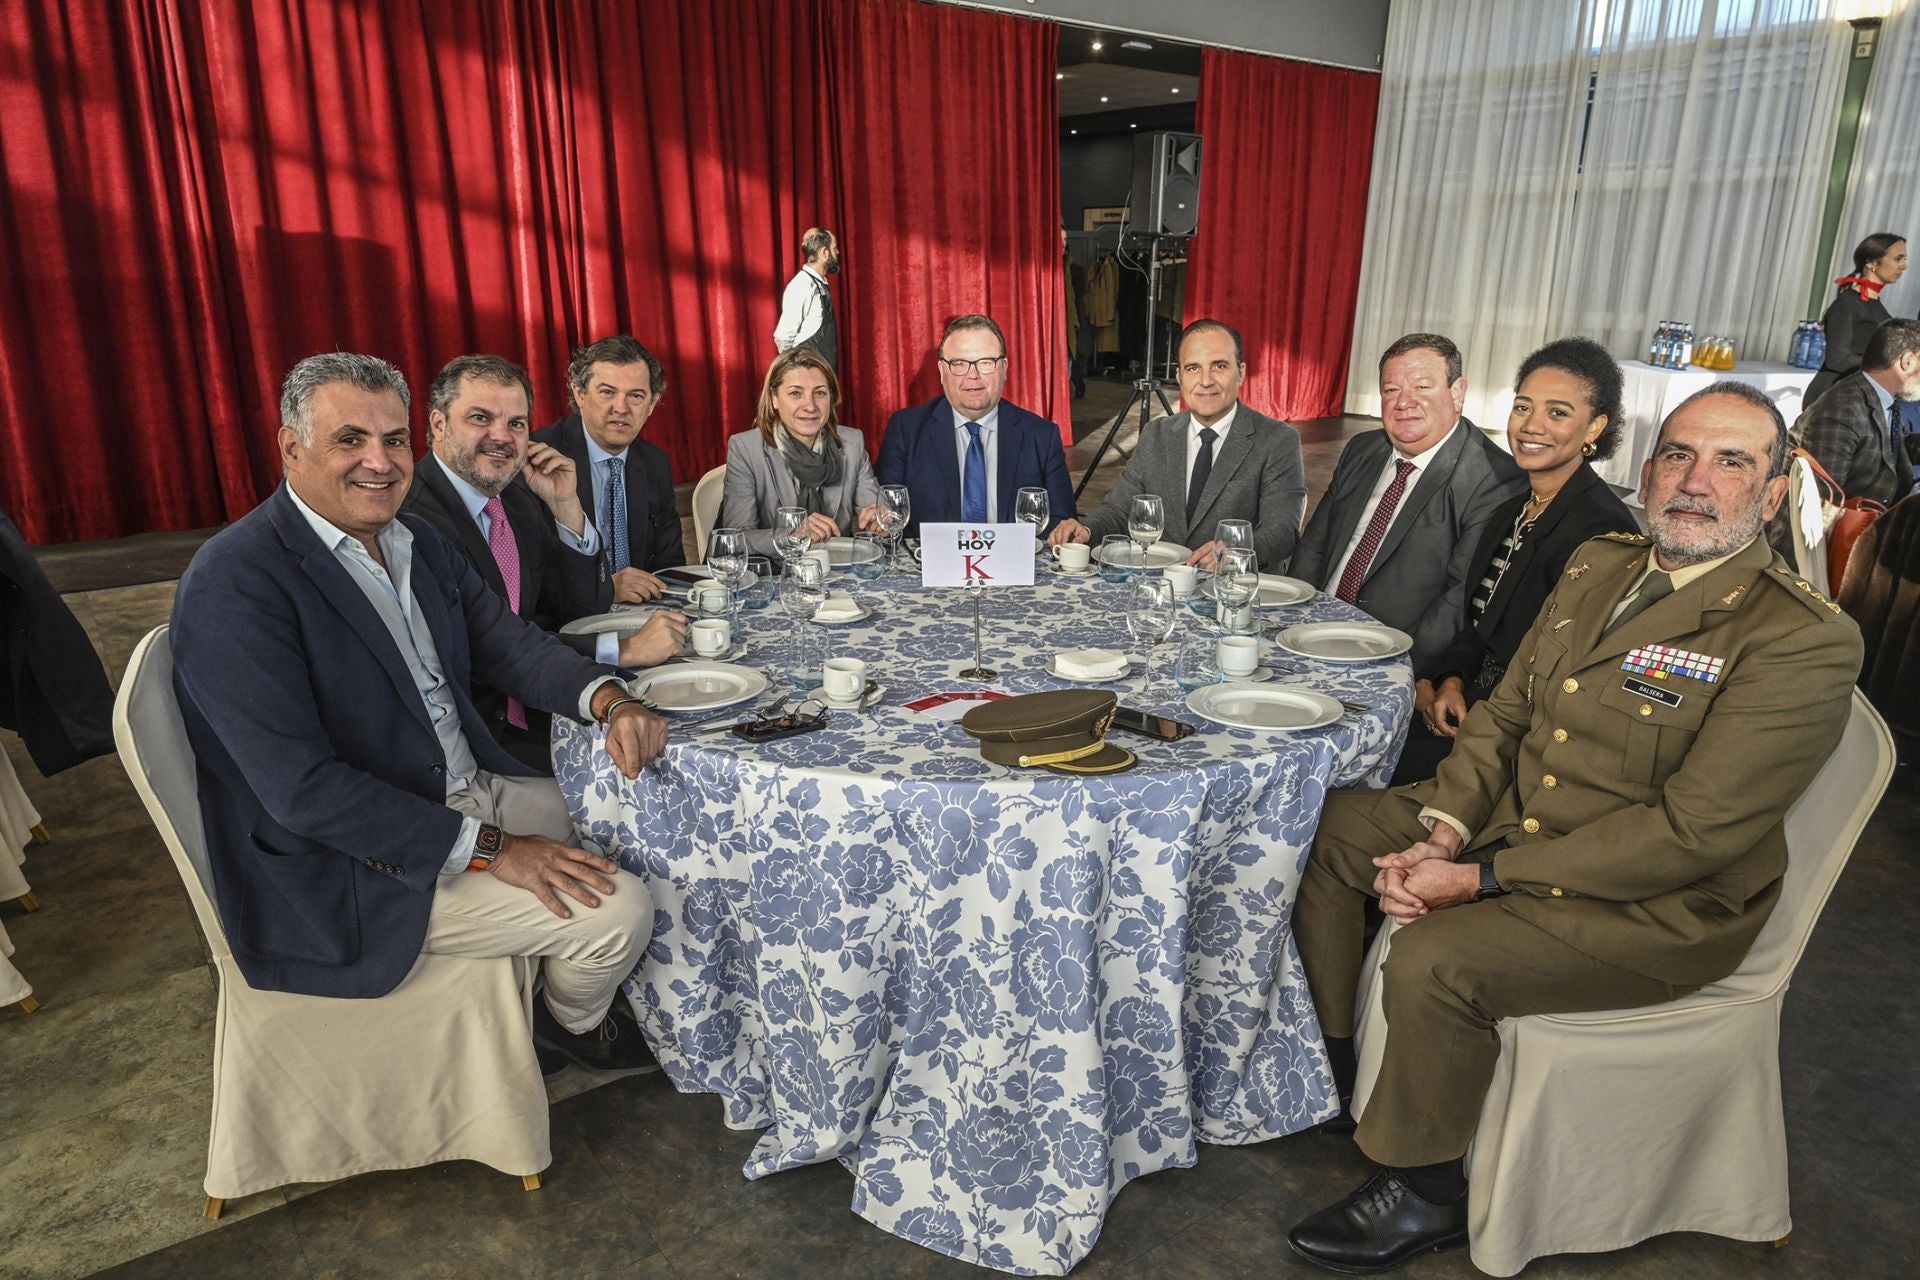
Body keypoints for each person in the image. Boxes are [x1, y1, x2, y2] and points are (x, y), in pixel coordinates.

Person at [1283, 382, 1862, 1274]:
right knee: (1326, 828)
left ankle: (1428, 1191)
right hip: (1511, 821)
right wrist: (1442, 829)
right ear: (1647, 467)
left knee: (1439, 959)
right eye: (1678, 454)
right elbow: (1507, 716)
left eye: (1731, 461)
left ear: (1775, 492)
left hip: (1661, 901)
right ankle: (1335, 1059)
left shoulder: (1798, 638)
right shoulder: (1602, 563)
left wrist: (1475, 878)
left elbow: (1691, 833)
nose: (1695, 480)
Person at [171, 353, 670, 1074]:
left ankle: (565, 984)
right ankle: (570, 1021)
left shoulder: (414, 540)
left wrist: (611, 695)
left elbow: (511, 646)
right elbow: (303, 792)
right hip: (352, 866)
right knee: (620, 912)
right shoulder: (236, 582)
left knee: (640, 814)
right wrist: (496, 848)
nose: (379, 462)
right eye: (350, 440)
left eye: (392, 440)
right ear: (290, 447)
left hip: (459, 787)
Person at [402, 354, 688, 772]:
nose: (501, 436)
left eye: (516, 423)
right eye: (481, 418)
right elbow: (483, 651)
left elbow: (583, 609)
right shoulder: (415, 519)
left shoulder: (516, 498)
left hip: (549, 703)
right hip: (484, 738)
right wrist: (622, 651)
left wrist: (566, 506)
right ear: (438, 425)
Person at [1392, 338, 1636, 784]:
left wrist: (1460, 701)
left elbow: (1559, 673)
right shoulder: (1513, 509)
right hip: (1467, 699)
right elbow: (1479, 627)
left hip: (1519, 736)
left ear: (1595, 427)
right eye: (1523, 407)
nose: (1531, 426)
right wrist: (1446, 681)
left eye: (1557, 413)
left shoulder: (1602, 533)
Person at [1287, 333, 1527, 675]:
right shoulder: (1363, 449)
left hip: (1388, 655)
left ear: (1457, 393)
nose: (1404, 402)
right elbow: (1314, 545)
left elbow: (1456, 599)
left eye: (1422, 387)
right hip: (1310, 633)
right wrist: (1291, 626)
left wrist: (1401, 670)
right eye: (1391, 389)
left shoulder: (1492, 480)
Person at [1049, 318, 1306, 568]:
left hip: (1232, 592)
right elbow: (1120, 510)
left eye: (1219, 366)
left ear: (1241, 371)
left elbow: (1281, 531)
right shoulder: (1156, 434)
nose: (1206, 381)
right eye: (1193, 368)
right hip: (1161, 589)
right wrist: (1087, 530)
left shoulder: (1277, 440)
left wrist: (1233, 554)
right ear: (1179, 376)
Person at [875, 314, 1076, 538]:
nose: (973, 375)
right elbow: (888, 516)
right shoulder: (906, 430)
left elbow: (1063, 523)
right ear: (942, 371)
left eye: (985, 363)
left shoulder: (1041, 435)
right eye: (959, 364)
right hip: (930, 568)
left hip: (1014, 567)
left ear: (1004, 368)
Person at [532, 336, 685, 603]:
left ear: (651, 404)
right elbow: (530, 580)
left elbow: (670, 564)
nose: (621, 408)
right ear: (580, 394)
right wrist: (604, 589)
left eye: (636, 396)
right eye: (607, 392)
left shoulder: (654, 463)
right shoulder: (540, 461)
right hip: (565, 623)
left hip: (641, 613)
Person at [719, 348, 881, 558]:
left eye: (820, 393)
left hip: (838, 571)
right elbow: (737, 537)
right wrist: (793, 536)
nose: (810, 406)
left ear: (831, 398)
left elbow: (874, 510)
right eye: (796, 393)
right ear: (774, 398)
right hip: (775, 574)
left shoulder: (852, 442)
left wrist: (879, 520)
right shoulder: (745, 448)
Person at [1791, 316, 1920, 507]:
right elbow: (1821, 499)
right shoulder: (1843, 409)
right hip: (1849, 530)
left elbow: (1890, 447)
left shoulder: (1880, 396)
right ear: (1907, 361)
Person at [1805, 231, 1906, 404]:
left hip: (1854, 396)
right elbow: (1837, 360)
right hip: (1832, 398)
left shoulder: (1875, 305)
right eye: (1898, 258)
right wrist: (1887, 364)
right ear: (1872, 263)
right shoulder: (1847, 305)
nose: (1904, 265)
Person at [772, 227, 840, 371]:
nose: (838, 252)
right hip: (808, 375)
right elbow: (783, 335)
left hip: (822, 373)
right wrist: (794, 368)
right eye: (834, 248)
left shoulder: (819, 284)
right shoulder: (802, 285)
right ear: (824, 253)